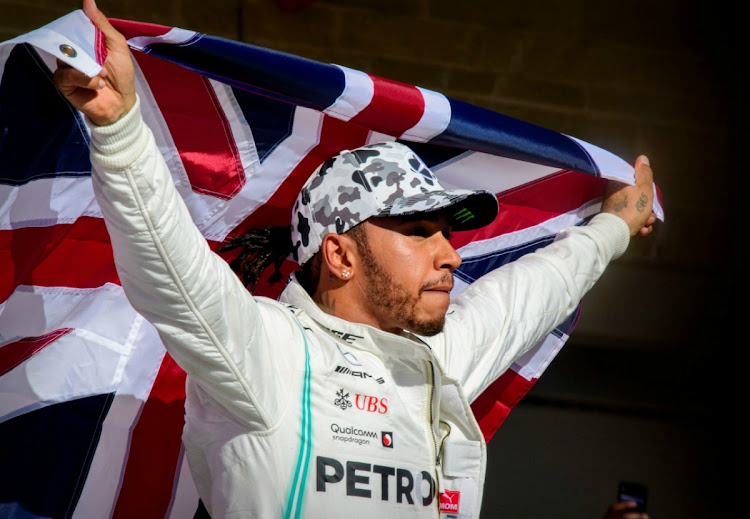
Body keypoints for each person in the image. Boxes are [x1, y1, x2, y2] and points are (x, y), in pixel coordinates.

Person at [53, 1, 657, 517]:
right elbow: (169, 265)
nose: (451, 254)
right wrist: (120, 128)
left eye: (447, 233)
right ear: (339, 255)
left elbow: (531, 293)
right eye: (419, 231)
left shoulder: (436, 362)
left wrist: (612, 226)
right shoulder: (269, 351)